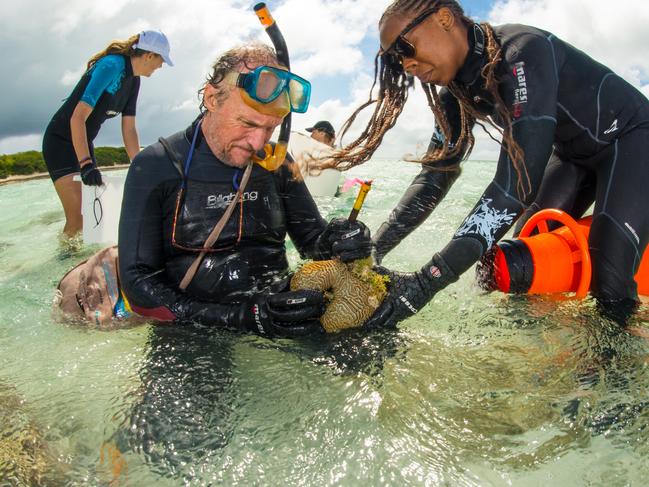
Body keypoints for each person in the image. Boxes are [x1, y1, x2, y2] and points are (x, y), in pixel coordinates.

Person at [325, 0, 649, 326]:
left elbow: (515, 187)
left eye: (405, 47)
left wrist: (426, 282)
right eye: (395, 59)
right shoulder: (457, 95)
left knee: (609, 284)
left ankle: (621, 369)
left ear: (444, 18)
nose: (406, 64)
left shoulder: (522, 52)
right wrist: (373, 253)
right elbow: (434, 178)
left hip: (633, 138)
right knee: (517, 265)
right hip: (571, 156)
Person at [117, 43, 372, 338]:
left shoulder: (275, 162)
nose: (257, 142)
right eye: (247, 123)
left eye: (270, 128)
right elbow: (137, 283)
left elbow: (313, 241)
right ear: (212, 97)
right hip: (192, 326)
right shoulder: (155, 165)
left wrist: (341, 241)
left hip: (277, 311)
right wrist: (237, 318)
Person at [43, 30, 173, 240]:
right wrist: (86, 164)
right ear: (149, 55)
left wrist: (139, 166)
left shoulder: (135, 80)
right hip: (61, 142)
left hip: (84, 143)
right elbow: (77, 118)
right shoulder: (112, 65)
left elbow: (129, 128)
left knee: (97, 220)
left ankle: (83, 260)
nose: (161, 66)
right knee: (78, 219)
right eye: (161, 60)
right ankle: (64, 263)